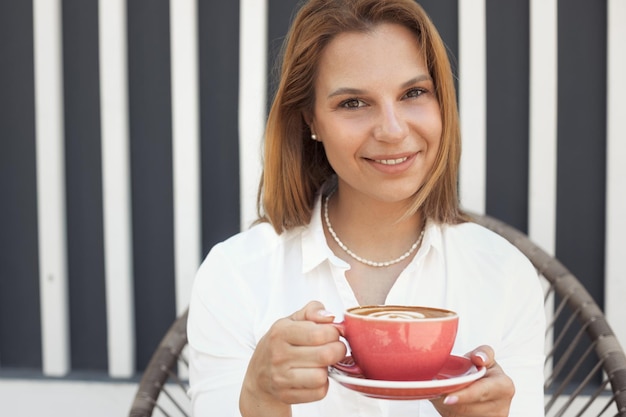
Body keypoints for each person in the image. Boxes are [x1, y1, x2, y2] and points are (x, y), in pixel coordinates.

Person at [187, 0, 545, 416]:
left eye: (413, 93)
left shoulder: (504, 275)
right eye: (354, 103)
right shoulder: (234, 275)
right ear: (311, 121)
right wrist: (261, 399)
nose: (392, 131)